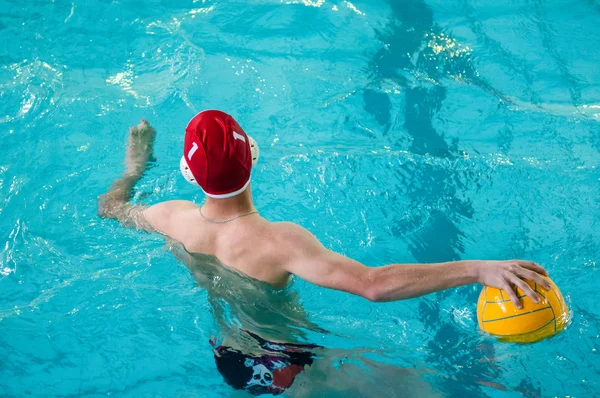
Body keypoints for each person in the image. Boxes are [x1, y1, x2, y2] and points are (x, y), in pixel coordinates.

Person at [98, 110, 551, 395]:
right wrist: (477, 268)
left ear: (189, 175)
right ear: (252, 155)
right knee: (424, 387)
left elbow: (110, 208)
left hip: (230, 356)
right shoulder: (278, 241)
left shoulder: (170, 216)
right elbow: (372, 285)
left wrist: (134, 167)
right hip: (288, 365)